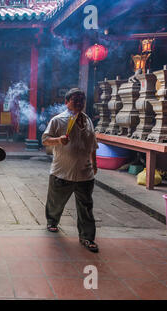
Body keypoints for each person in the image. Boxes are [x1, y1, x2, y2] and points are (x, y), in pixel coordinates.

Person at [42, 88, 99, 253]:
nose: (80, 103)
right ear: (66, 102)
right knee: (56, 202)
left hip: (84, 173)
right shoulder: (58, 120)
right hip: (62, 171)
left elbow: (92, 145)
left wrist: (94, 164)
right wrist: (59, 140)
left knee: (86, 207)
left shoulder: (88, 120)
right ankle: (52, 221)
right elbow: (45, 140)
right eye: (76, 100)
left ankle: (87, 237)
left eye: (82, 99)